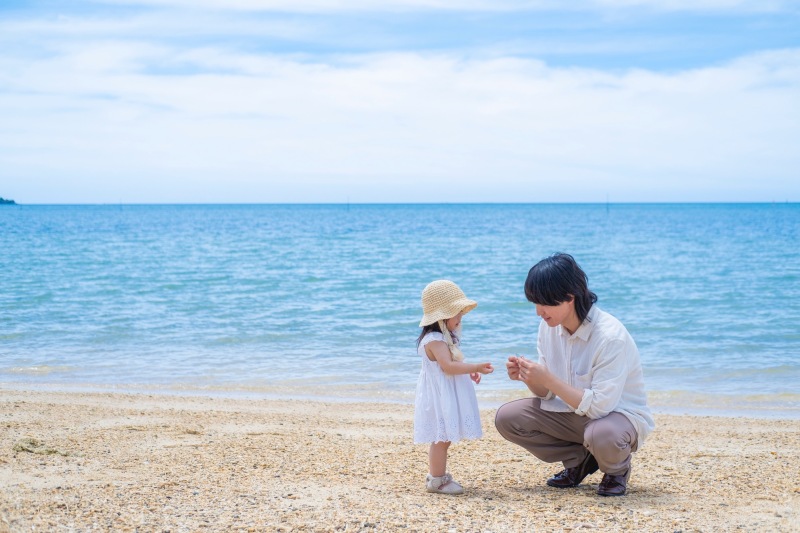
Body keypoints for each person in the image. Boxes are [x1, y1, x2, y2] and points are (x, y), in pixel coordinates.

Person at [494, 253, 655, 496]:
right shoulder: (548, 328)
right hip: (574, 414)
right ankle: (580, 460)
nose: (539, 311)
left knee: (601, 433)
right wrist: (530, 378)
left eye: (544, 303)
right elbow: (547, 394)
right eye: (535, 303)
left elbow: (601, 407)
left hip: (617, 417)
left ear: (569, 297)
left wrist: (547, 378)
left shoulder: (610, 336)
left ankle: (616, 470)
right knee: (508, 418)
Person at [413, 280, 494, 495]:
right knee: (441, 437)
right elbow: (447, 367)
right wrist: (476, 366)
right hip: (440, 397)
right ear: (442, 315)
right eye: (457, 313)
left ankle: (437, 477)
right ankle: (436, 480)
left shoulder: (443, 337)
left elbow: (452, 363)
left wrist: (469, 370)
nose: (460, 317)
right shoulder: (434, 339)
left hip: (444, 393)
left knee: (445, 436)